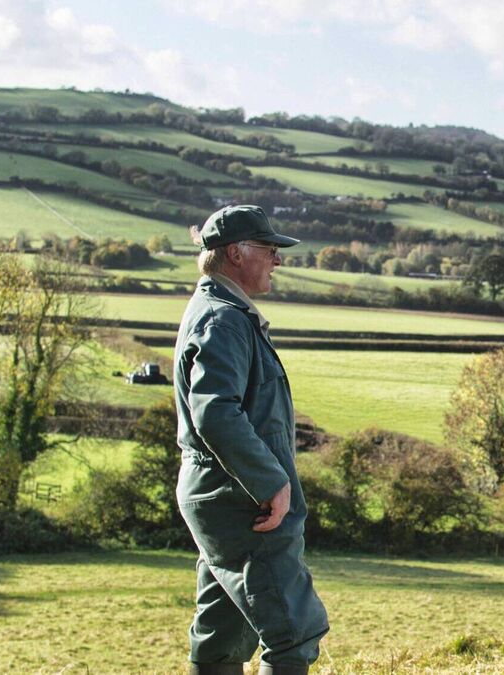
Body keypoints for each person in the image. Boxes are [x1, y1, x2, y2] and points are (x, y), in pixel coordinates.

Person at [174, 205, 328, 675]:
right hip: (241, 499)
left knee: (223, 631)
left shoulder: (218, 311)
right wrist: (270, 483)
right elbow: (215, 412)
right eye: (269, 248)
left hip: (220, 492)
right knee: (293, 631)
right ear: (236, 253)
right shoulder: (223, 320)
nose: (277, 259)